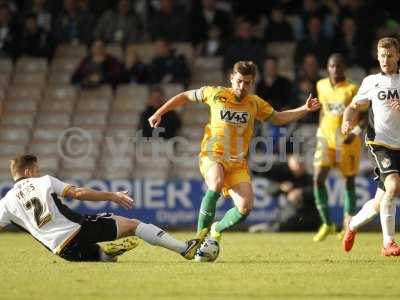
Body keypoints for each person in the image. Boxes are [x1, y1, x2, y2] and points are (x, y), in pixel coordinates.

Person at [148, 61, 320, 260]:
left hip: (237, 162)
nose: (242, 87)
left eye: (247, 83)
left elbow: (279, 118)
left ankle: (216, 229)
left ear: (252, 83)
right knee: (216, 183)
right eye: (239, 81)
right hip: (213, 154)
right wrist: (159, 112)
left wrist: (304, 109)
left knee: (245, 207)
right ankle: (198, 239)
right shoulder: (215, 93)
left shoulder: (254, 103)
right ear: (231, 78)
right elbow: (185, 96)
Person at [0, 155, 203, 262]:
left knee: (103, 258)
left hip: (62, 251)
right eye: (36, 169)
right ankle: (185, 249)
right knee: (133, 225)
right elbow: (78, 193)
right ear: (28, 171)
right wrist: (111, 195)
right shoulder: (43, 181)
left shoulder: (6, 201)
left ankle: (104, 253)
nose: (39, 172)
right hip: (78, 231)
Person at [341, 37, 400, 256]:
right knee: (393, 186)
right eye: (382, 55)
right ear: (377, 56)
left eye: (390, 55)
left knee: (379, 202)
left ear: (398, 56)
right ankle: (388, 243)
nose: (386, 59)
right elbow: (352, 107)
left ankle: (353, 224)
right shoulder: (371, 81)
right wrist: (347, 121)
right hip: (379, 143)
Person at [312, 53, 361, 242]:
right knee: (318, 179)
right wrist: (319, 130)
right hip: (325, 139)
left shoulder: (352, 89)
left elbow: (363, 116)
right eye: (332, 66)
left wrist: (354, 133)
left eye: (339, 66)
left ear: (344, 68)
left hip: (347, 141)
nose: (335, 70)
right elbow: (323, 111)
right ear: (328, 67)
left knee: (349, 181)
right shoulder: (321, 85)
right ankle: (327, 223)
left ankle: (347, 226)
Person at [249, 154, 319, 233]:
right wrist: (281, 188)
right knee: (284, 223)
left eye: (301, 164)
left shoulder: (310, 178)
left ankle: (268, 227)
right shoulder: (285, 175)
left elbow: (318, 192)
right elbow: (269, 191)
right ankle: (268, 227)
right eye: (296, 165)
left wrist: (301, 193)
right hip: (290, 212)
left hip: (308, 214)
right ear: (290, 165)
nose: (299, 167)